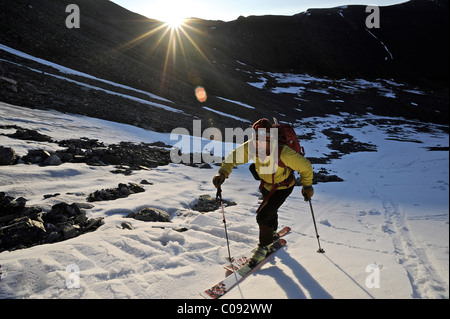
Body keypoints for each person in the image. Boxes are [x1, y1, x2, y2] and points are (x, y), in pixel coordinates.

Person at [212, 118, 314, 265]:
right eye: (256, 140)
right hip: (267, 185)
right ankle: (271, 233)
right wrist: (223, 173)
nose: (259, 144)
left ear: (270, 139)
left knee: (263, 217)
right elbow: (233, 157)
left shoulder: (282, 152)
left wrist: (307, 186)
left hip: (283, 187)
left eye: (263, 140)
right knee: (270, 211)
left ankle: (264, 247)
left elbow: (305, 166)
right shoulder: (252, 147)